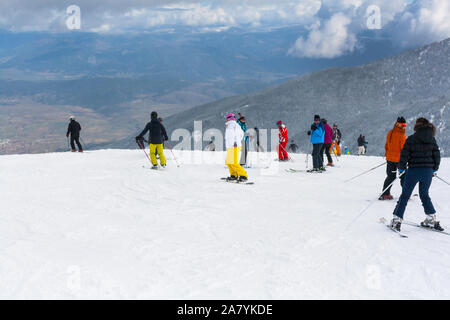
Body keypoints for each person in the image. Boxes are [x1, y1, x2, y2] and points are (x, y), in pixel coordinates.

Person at [390, 118, 442, 232]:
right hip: (427, 172)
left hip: (413, 170)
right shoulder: (432, 139)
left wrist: (401, 167)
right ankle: (431, 218)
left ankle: (397, 220)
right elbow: (437, 155)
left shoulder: (411, 139)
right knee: (424, 194)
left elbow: (404, 154)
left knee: (405, 195)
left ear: (417, 126)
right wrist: (434, 169)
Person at [379, 117, 407, 200]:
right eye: (403, 125)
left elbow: (386, 146)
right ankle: (405, 194)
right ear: (398, 124)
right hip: (399, 160)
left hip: (390, 159)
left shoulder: (390, 133)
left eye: (405, 125)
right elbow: (404, 150)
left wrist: (388, 155)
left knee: (390, 176)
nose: (404, 127)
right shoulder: (402, 136)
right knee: (404, 177)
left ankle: (385, 194)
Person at [225, 113, 248, 182]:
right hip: (230, 146)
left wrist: (235, 142)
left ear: (229, 118)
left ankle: (243, 175)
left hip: (234, 146)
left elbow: (239, 134)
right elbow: (241, 134)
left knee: (234, 162)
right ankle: (233, 175)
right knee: (228, 162)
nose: (226, 119)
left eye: (227, 117)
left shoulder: (233, 125)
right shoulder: (229, 125)